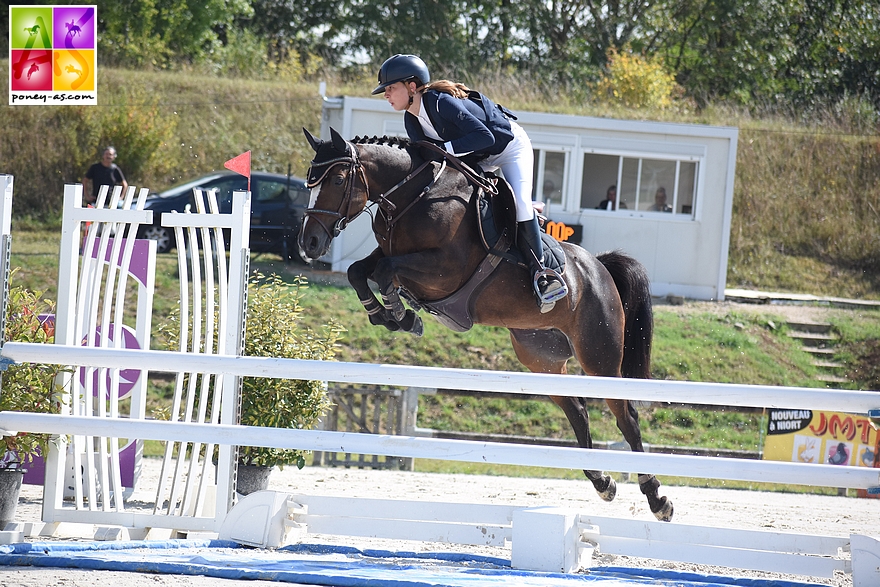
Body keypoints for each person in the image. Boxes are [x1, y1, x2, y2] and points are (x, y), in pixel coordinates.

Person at [372, 54, 567, 312]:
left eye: (390, 88)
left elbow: (483, 136)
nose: (386, 94)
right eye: (385, 90)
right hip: (476, 155)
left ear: (411, 86)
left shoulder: (439, 102)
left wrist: (444, 148)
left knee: (519, 203)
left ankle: (541, 275)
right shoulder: (411, 119)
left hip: (507, 147)